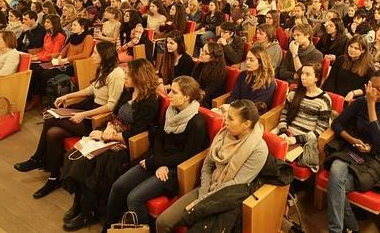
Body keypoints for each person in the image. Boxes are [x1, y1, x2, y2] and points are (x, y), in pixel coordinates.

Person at [14, 42, 125, 198]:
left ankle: (37, 158)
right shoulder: (104, 70)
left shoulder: (117, 74)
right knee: (53, 133)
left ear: (105, 55)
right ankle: (54, 177)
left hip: (98, 120)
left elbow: (111, 106)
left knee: (51, 118)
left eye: (95, 53)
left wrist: (83, 115)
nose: (92, 56)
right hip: (90, 110)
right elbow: (91, 90)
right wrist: (67, 96)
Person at [61, 58, 160, 231]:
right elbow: (114, 114)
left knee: (95, 163)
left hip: (127, 144)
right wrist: (108, 127)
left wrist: (112, 136)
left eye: (129, 74)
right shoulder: (128, 91)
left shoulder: (150, 100)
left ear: (139, 76)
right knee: (78, 156)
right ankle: (79, 202)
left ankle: (88, 212)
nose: (125, 76)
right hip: (111, 131)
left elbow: (137, 132)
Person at [104, 76, 208, 228]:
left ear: (186, 97)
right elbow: (159, 139)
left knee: (134, 198)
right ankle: (108, 226)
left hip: (175, 169)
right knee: (119, 185)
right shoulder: (170, 110)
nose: (169, 94)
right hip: (159, 159)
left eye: (174, 92)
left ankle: (143, 230)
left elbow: (186, 156)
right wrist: (158, 161)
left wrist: (158, 162)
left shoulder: (197, 122)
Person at [156, 99, 268, 233]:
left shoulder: (259, 149)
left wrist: (204, 200)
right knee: (162, 222)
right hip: (207, 187)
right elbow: (208, 165)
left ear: (246, 124)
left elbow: (237, 184)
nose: (225, 120)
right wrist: (204, 191)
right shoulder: (224, 133)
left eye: (230, 118)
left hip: (226, 199)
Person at [325, 69, 380, 233]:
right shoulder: (360, 102)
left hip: (375, 158)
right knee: (336, 170)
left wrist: (371, 104)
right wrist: (352, 140)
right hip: (352, 150)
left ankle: (352, 227)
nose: (372, 92)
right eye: (371, 86)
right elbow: (337, 124)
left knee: (337, 185)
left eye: (378, 89)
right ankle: (337, 230)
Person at [275, 62, 332, 169]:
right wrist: (283, 131)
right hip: (286, 134)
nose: (303, 77)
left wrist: (296, 139)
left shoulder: (324, 100)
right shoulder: (294, 93)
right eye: (302, 74)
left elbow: (320, 130)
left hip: (304, 141)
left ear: (317, 78)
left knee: (278, 160)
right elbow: (284, 114)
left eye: (307, 74)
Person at [225, 46, 276, 115]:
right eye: (247, 59)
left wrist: (236, 111)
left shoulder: (268, 82)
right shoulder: (243, 75)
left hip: (252, 115)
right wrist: (230, 107)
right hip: (237, 110)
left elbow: (255, 107)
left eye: (251, 60)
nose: (247, 63)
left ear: (261, 63)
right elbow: (234, 95)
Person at [322, 35, 375, 101]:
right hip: (336, 95)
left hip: (354, 99)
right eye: (351, 46)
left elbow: (368, 86)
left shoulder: (369, 66)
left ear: (363, 50)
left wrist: (353, 93)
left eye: (356, 48)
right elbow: (331, 79)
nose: (352, 50)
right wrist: (331, 96)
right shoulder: (340, 59)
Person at [192, 42, 227, 108]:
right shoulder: (200, 64)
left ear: (213, 58)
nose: (201, 53)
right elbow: (192, 81)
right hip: (197, 95)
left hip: (209, 101)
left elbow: (206, 94)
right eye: (202, 50)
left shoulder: (219, 72)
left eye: (206, 53)